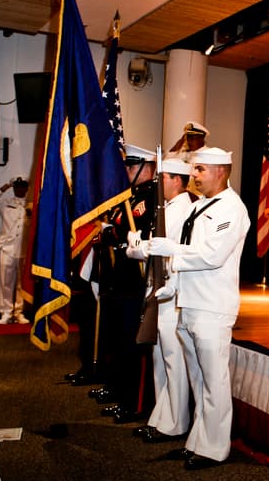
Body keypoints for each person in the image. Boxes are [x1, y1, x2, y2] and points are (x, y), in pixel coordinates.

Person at [140, 146, 251, 470]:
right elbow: (189, 256)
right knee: (199, 379)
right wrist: (172, 285)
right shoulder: (201, 206)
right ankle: (198, 441)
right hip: (189, 303)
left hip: (212, 306)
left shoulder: (231, 208)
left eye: (200, 170)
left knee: (215, 381)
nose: (195, 176)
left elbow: (212, 255)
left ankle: (215, 448)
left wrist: (170, 248)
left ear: (220, 171)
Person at [127, 154, 198, 444]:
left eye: (164, 177)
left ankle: (175, 422)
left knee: (173, 358)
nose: (159, 182)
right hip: (157, 286)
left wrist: (140, 248)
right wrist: (138, 245)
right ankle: (161, 415)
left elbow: (170, 249)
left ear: (177, 181)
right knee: (160, 357)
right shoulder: (167, 206)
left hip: (172, 289)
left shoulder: (183, 209)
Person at [91, 144, 158, 423]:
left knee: (132, 341)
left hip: (136, 278)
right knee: (117, 337)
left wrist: (113, 234)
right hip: (120, 275)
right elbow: (117, 230)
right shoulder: (128, 198)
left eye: (132, 167)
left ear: (148, 168)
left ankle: (133, 400)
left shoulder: (152, 197)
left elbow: (138, 232)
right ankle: (119, 389)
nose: (127, 171)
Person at [0, 177, 31, 325]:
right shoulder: (5, 203)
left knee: (22, 284)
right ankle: (6, 313)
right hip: (7, 248)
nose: (20, 189)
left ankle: (19, 312)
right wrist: (3, 188)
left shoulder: (32, 204)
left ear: (27, 188)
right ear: (13, 187)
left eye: (23, 186)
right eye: (17, 186)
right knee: (6, 283)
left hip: (24, 248)